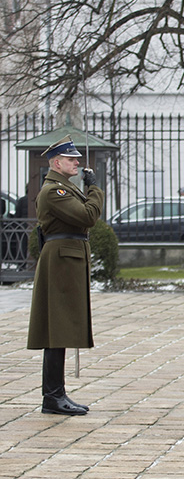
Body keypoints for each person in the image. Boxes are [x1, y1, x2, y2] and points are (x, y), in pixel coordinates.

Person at [27, 135, 104, 415]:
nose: (77, 163)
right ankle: (52, 396)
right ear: (56, 163)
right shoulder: (53, 191)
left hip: (66, 258)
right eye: (72, 159)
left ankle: (56, 394)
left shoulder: (64, 188)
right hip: (61, 259)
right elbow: (88, 217)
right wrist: (95, 189)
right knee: (56, 329)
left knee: (60, 328)